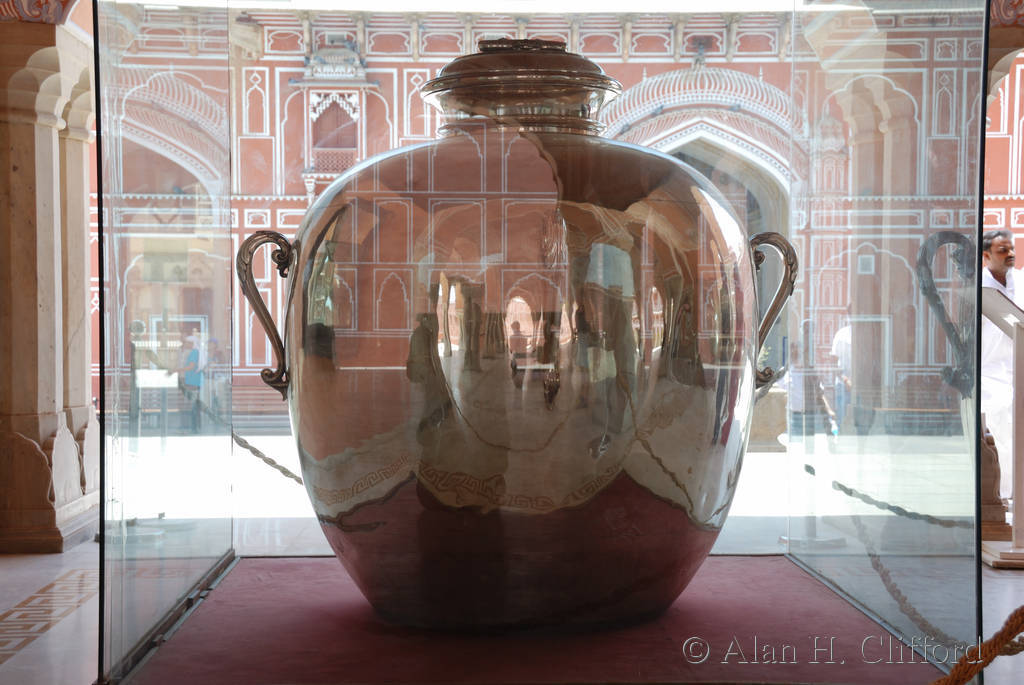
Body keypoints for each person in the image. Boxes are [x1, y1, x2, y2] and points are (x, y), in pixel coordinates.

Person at [981, 229, 1024, 498]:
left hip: (1017, 370)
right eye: (1002, 250)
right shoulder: (979, 288)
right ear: (986, 256)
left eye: (1011, 249)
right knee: (999, 436)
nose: (1010, 254)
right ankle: (1004, 494)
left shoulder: (1020, 281)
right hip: (989, 374)